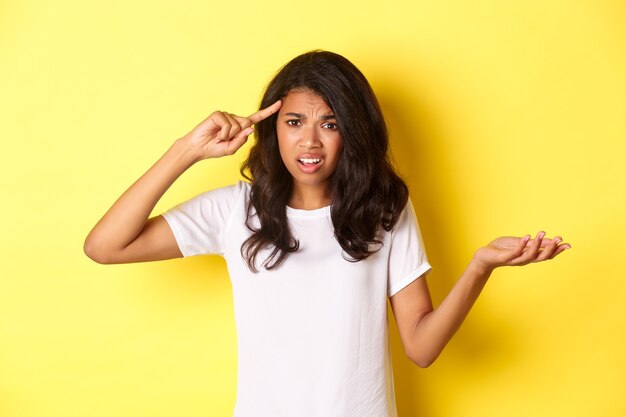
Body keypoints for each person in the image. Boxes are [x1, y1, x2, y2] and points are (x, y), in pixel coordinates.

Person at [84, 50, 570, 417]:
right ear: (274, 130)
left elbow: (421, 348)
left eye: (329, 123)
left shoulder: (383, 211)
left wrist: (480, 266)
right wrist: (186, 150)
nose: (309, 141)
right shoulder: (236, 211)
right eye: (294, 122)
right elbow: (104, 246)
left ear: (351, 133)